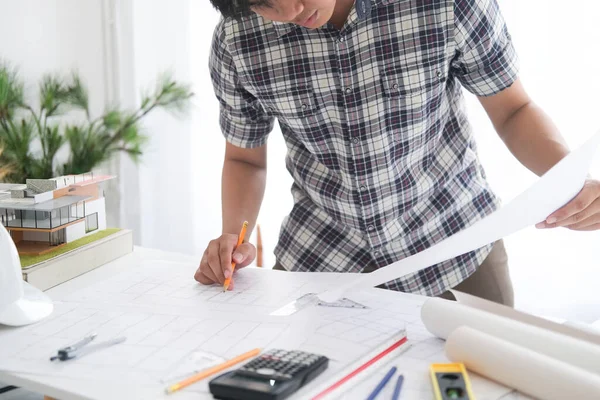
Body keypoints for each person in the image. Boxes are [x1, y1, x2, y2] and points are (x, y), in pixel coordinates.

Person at [194, 0, 600, 306]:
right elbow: (244, 159)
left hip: (454, 245)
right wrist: (234, 233)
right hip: (322, 258)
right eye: (265, 3)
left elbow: (514, 110)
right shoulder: (237, 40)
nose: (292, 8)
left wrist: (570, 181)